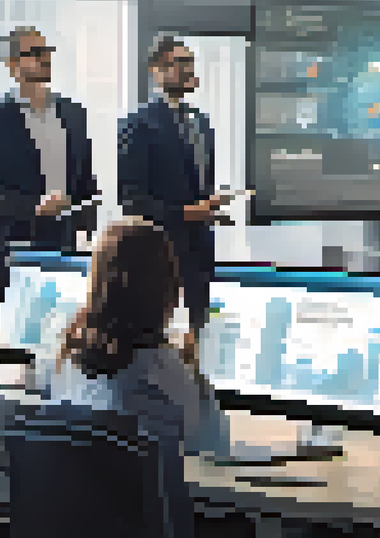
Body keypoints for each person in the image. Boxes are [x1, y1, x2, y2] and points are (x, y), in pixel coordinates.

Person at [44, 218, 229, 538]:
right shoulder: (169, 373)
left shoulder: (60, 361)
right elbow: (216, 450)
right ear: (170, 292)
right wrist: (198, 377)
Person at [0, 26, 100, 313]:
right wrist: (34, 206)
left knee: (62, 334)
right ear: (12, 64)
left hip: (64, 254)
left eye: (46, 51)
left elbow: (85, 180)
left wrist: (88, 229)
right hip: (8, 257)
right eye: (34, 53)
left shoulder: (74, 114)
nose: (44, 58)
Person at [118, 36, 230, 365]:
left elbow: (196, 187)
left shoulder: (200, 121)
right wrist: (186, 213)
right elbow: (132, 199)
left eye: (189, 62)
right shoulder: (138, 123)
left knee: (201, 331)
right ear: (156, 70)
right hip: (160, 250)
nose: (187, 69)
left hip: (200, 247)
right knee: (161, 340)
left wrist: (209, 207)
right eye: (178, 63)